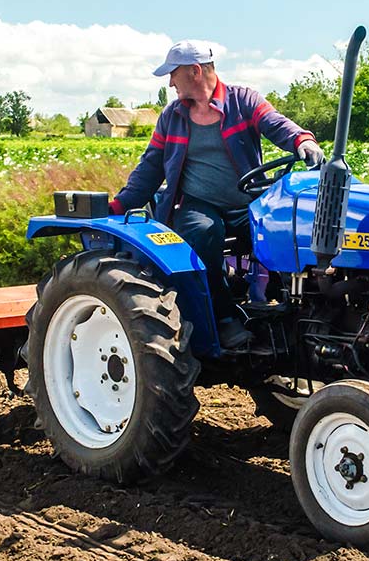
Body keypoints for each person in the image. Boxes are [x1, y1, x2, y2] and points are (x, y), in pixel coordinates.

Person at [109, 40, 325, 350]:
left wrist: (301, 140)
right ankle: (223, 319)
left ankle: (294, 311)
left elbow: (275, 123)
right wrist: (120, 204)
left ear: (195, 71)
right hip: (198, 204)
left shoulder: (242, 101)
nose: (170, 82)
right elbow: (150, 167)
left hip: (248, 203)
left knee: (291, 229)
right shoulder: (172, 117)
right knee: (202, 232)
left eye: (173, 74)